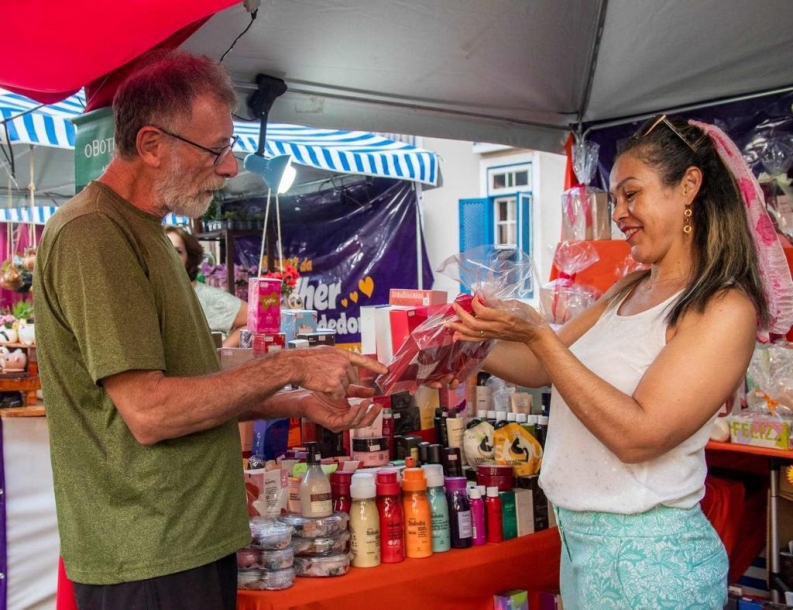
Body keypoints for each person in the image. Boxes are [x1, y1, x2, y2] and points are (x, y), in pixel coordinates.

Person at [33, 50, 387, 610]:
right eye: (216, 149)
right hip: (149, 555)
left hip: (181, 544)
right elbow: (151, 411)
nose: (229, 166)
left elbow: (193, 382)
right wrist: (290, 364)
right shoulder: (94, 233)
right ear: (152, 145)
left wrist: (297, 400)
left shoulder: (146, 230)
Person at [447, 115, 793, 609]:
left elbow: (640, 435)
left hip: (652, 566)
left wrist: (539, 335)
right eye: (614, 201)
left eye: (632, 194)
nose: (620, 214)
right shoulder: (629, 288)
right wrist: (462, 345)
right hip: (581, 547)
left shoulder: (723, 307)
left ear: (689, 186)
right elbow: (542, 366)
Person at [166, 225, 248, 347]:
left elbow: (253, 319)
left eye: (178, 251)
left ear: (189, 258)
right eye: (163, 250)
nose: (170, 257)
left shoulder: (206, 296)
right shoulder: (144, 297)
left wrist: (223, 350)